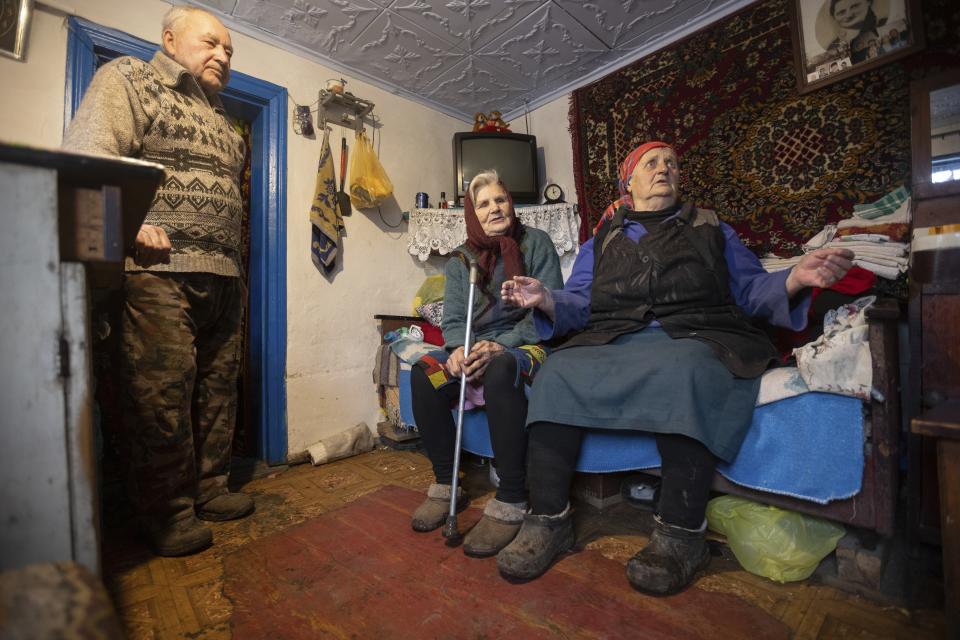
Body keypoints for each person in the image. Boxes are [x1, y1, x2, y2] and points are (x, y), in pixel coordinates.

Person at [496, 141, 854, 594]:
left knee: (688, 371)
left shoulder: (712, 227)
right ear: (629, 181)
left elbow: (750, 290)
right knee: (556, 373)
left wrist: (795, 277)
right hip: (615, 336)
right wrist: (545, 297)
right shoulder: (602, 238)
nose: (664, 169)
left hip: (696, 334)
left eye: (672, 163)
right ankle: (548, 521)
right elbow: (580, 301)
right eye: (652, 163)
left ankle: (681, 535)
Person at [62, 5, 253, 557]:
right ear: (170, 40)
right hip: (155, 274)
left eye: (230, 50)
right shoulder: (128, 77)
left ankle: (211, 490)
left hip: (224, 277)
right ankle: (167, 513)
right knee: (160, 395)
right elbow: (87, 157)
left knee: (218, 392)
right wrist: (130, 221)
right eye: (211, 43)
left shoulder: (224, 120)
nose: (223, 55)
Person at [410, 170, 562, 557]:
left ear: (511, 202)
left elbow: (547, 309)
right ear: (472, 213)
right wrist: (457, 350)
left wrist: (499, 345)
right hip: (475, 345)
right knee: (423, 374)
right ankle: (447, 484)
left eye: (500, 200)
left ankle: (511, 497)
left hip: (528, 341)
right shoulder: (462, 259)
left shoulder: (537, 244)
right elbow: (455, 319)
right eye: (483, 204)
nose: (494, 208)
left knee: (500, 368)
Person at [827, 0, 885, 64]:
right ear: (834, 17)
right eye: (841, 12)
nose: (849, 15)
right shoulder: (834, 45)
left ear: (868, 2)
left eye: (854, 6)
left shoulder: (883, 26)